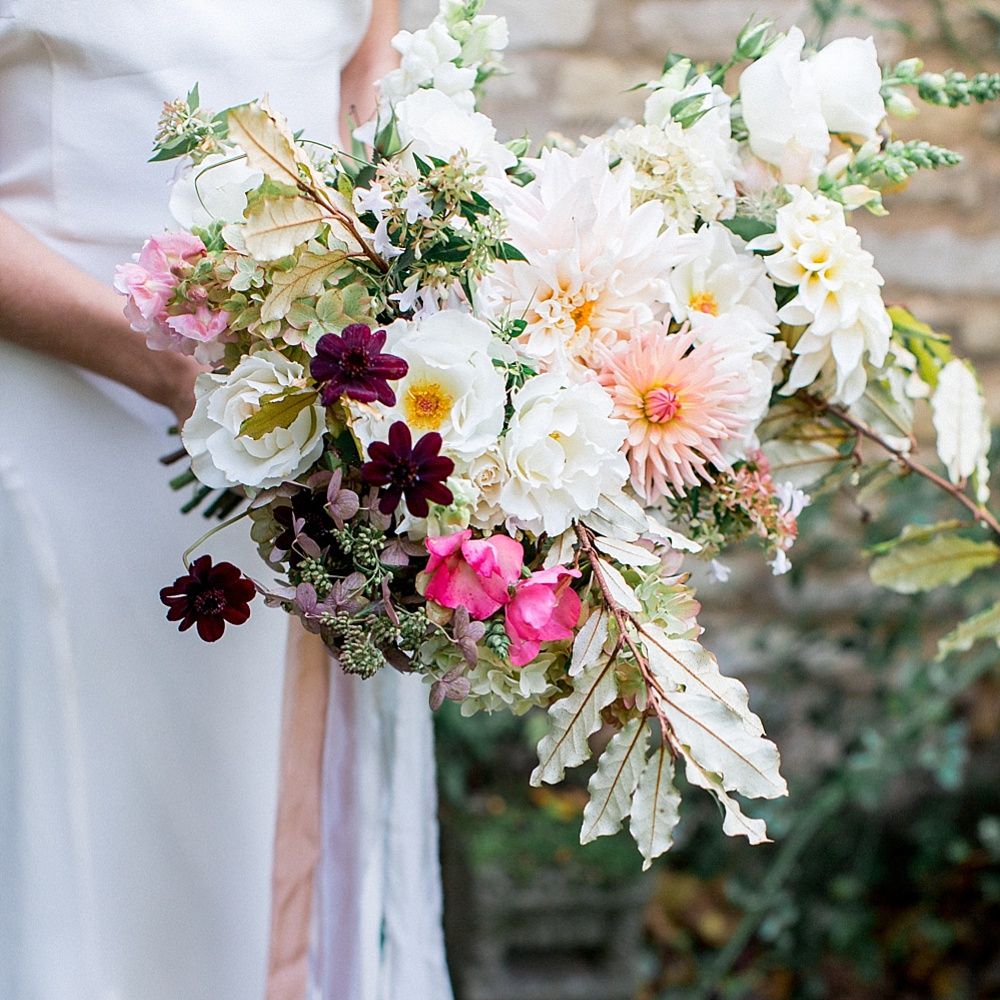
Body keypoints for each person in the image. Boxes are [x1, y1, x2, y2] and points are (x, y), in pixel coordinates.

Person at [0, 2, 452, 998]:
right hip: (56, 433)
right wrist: (162, 365)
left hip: (302, 461)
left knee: (264, 840)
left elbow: (367, 100)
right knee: (79, 844)